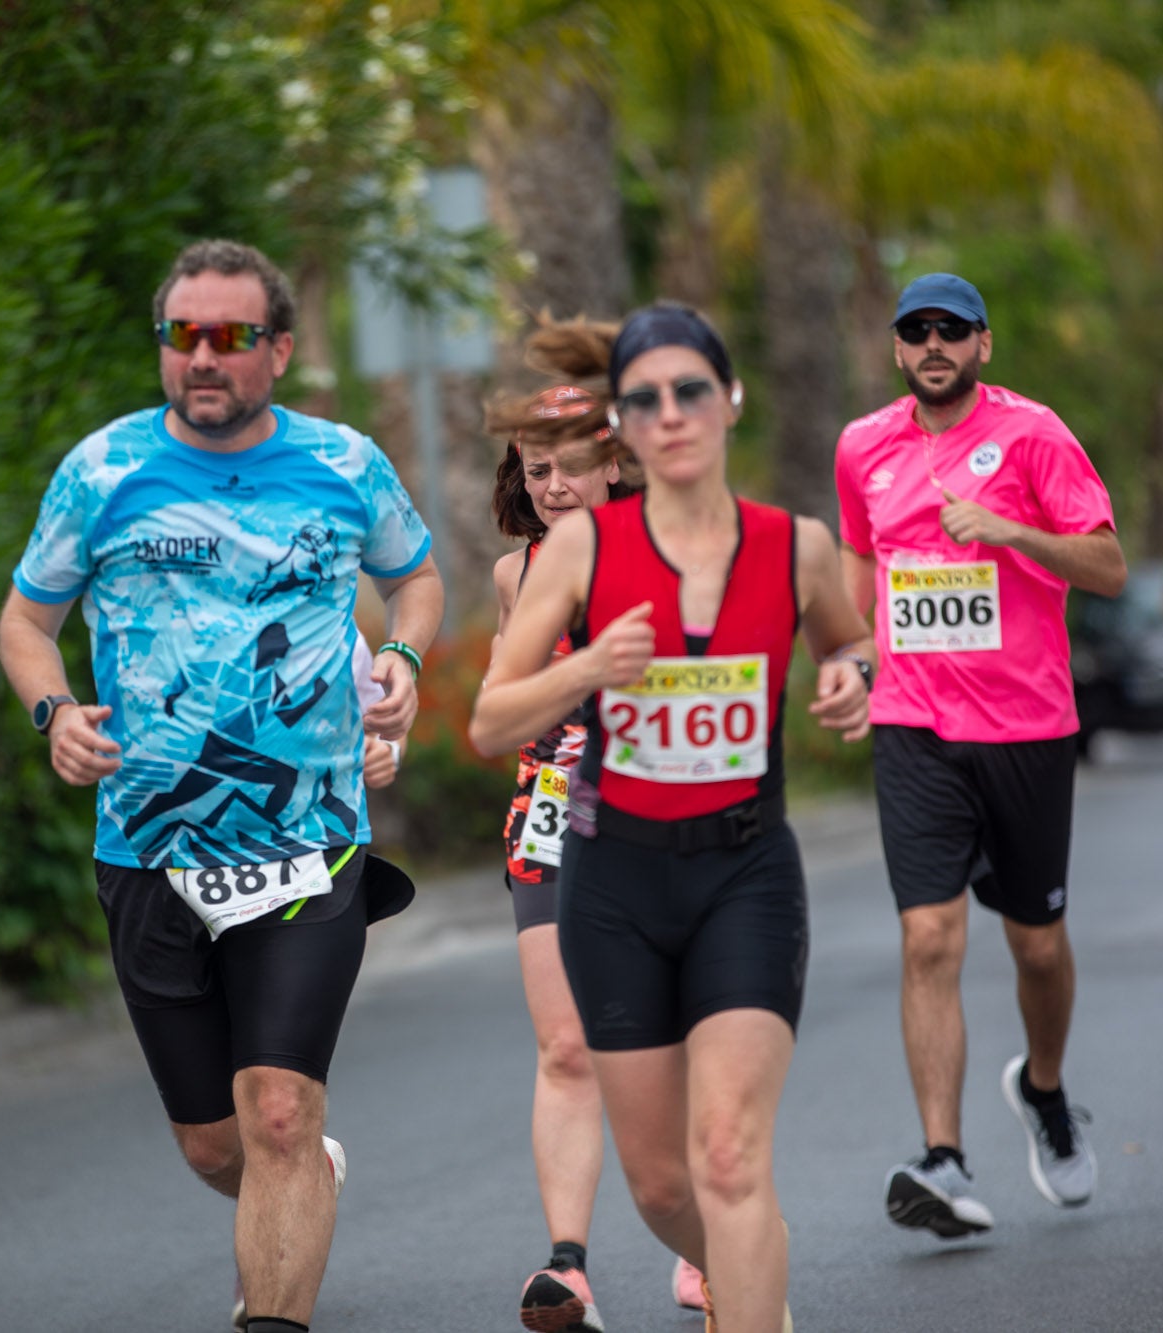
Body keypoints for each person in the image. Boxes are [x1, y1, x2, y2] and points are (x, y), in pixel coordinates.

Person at [0, 239, 440, 1333]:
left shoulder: (342, 465)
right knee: (215, 1142)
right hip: (148, 848)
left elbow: (415, 577)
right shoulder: (99, 472)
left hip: (306, 843)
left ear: (277, 350)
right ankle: (289, 1174)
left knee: (279, 1111)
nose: (203, 356)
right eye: (181, 334)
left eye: (230, 337)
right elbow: (24, 623)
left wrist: (403, 660)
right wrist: (55, 714)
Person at [471, 303, 873, 1333]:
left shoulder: (796, 545)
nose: (671, 412)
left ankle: (745, 1308)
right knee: (660, 1184)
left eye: (689, 388)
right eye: (644, 397)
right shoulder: (572, 558)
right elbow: (486, 724)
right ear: (623, 426)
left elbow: (851, 647)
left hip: (744, 872)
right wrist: (589, 668)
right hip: (611, 877)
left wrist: (848, 683)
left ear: (727, 399)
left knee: (729, 1154)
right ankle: (746, 1292)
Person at [833, 273, 1126, 1239]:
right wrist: (856, 651)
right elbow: (861, 558)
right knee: (929, 936)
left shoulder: (1034, 433)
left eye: (950, 331)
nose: (932, 346)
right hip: (913, 722)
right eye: (915, 332)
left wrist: (1009, 531)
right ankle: (944, 1159)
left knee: (1036, 944)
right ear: (897, 348)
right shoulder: (862, 447)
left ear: (983, 344)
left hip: (1026, 726)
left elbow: (1109, 566)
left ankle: (1043, 1089)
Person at [485, 373, 672, 1332]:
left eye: (574, 464)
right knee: (565, 1045)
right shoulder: (517, 576)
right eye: (537, 467)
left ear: (618, 460)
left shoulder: (670, 553)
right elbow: (497, 699)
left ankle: (703, 1246)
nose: (555, 485)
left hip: (653, 812)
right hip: (549, 812)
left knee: (657, 1043)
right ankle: (568, 1267)